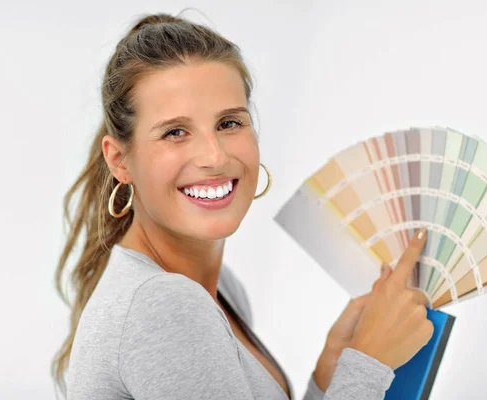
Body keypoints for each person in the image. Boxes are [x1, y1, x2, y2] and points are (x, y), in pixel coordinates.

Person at [51, 12, 434, 400]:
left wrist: (330, 370)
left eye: (229, 123)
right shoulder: (162, 305)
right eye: (175, 132)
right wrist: (368, 363)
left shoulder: (219, 290)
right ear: (119, 161)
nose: (214, 156)